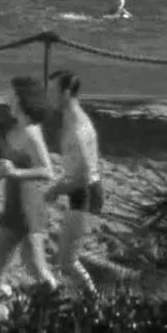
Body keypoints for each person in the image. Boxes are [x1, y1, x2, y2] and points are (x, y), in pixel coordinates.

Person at [0, 76, 60, 290]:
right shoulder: (16, 129)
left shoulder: (30, 132)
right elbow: (9, 165)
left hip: (27, 209)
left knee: (35, 267)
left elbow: (48, 171)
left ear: (22, 99)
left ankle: (60, 300)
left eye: (11, 95)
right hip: (13, 206)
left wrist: (14, 172)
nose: (7, 98)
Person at [44, 69, 103, 296]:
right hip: (81, 190)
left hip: (84, 193)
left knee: (67, 262)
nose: (48, 96)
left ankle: (93, 299)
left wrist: (56, 189)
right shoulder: (72, 118)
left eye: (52, 91)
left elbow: (84, 175)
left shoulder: (77, 127)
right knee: (66, 256)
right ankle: (85, 296)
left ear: (66, 93)